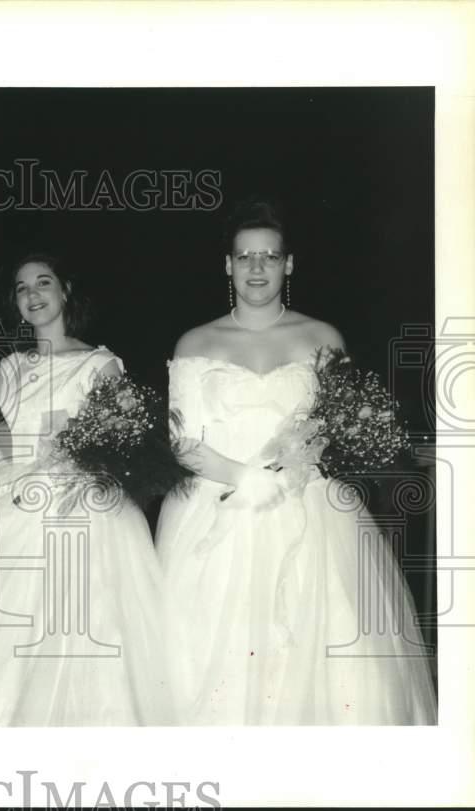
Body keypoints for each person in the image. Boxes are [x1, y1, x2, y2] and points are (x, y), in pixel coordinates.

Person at [155, 196, 438, 724]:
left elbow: (338, 427)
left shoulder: (322, 337)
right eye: (244, 257)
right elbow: (182, 441)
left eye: (269, 256)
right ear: (228, 265)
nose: (256, 268)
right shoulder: (196, 340)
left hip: (308, 512)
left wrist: (295, 466)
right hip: (219, 507)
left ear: (289, 264)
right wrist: (246, 478)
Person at [0, 253, 175, 726]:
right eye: (22, 289)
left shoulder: (99, 362)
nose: (33, 295)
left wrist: (88, 462)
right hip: (22, 507)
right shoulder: (12, 367)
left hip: (85, 511)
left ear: (65, 291)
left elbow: (122, 442)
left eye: (44, 283)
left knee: (88, 635)